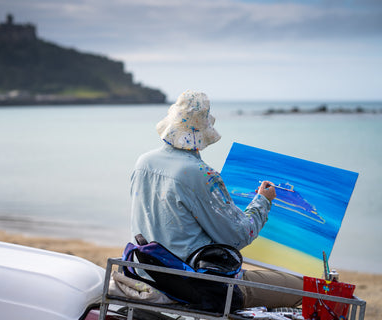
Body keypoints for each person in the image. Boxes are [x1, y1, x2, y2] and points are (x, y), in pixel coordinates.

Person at [130, 89, 303, 308]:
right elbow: (238, 236)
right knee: (308, 289)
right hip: (199, 283)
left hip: (151, 273)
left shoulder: (143, 162)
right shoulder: (200, 173)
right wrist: (263, 201)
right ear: (203, 132)